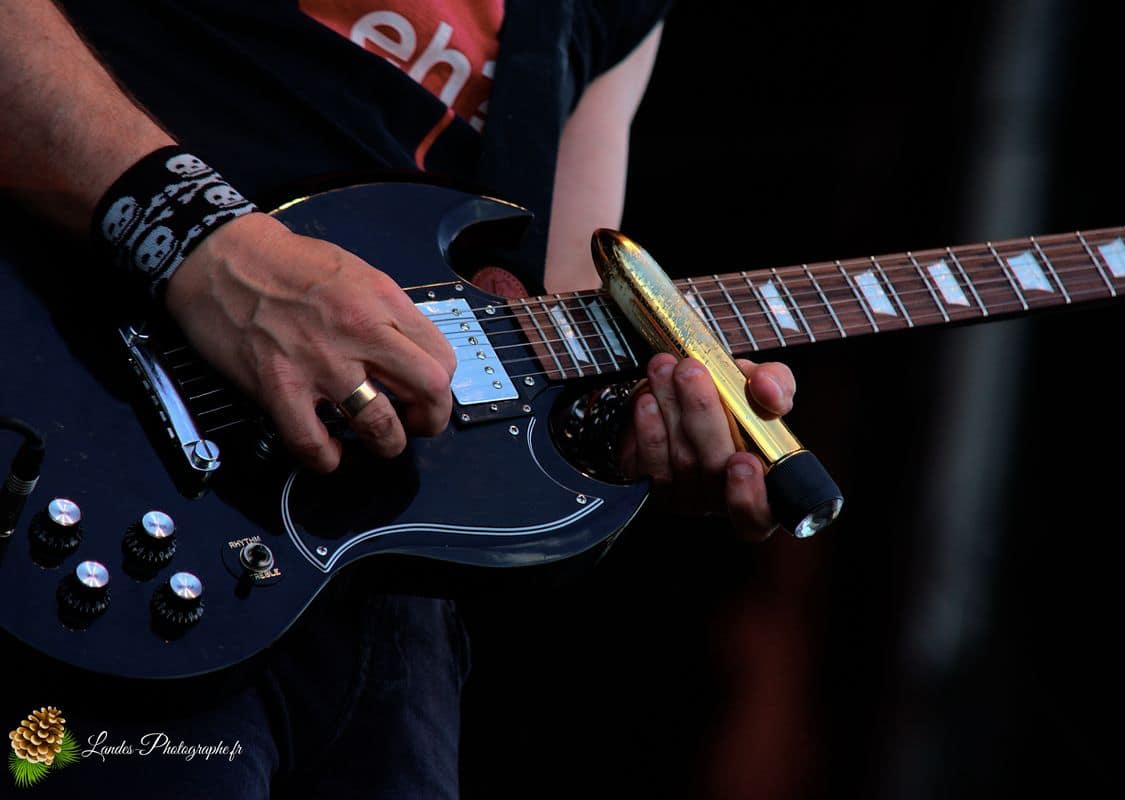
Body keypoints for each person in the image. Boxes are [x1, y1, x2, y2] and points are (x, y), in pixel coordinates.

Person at [0, 1, 801, 796]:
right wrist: (205, 249)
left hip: (376, 572)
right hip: (78, 413)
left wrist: (625, 428)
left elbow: (546, 321)